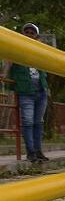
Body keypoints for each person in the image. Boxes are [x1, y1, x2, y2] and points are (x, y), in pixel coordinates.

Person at [0, 23, 50, 163]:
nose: (29, 34)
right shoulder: (16, 49)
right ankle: (31, 152)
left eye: (32, 32)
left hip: (41, 91)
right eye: (26, 31)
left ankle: (38, 151)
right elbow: (8, 62)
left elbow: (49, 61)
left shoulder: (40, 50)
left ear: (36, 36)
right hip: (25, 90)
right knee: (28, 122)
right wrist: (4, 73)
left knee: (38, 122)